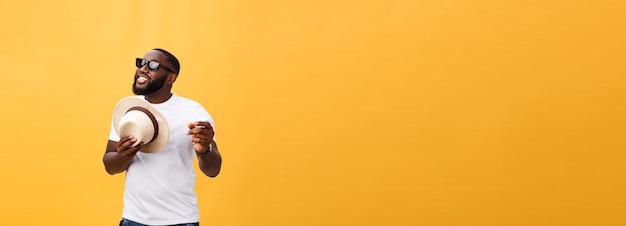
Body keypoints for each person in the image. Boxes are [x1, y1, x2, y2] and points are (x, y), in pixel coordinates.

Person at [103, 48, 222, 226]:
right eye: (141, 63)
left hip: (180, 220)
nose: (143, 69)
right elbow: (110, 166)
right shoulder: (129, 110)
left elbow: (213, 170)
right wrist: (123, 155)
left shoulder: (193, 112)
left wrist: (205, 149)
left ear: (171, 78)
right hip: (134, 219)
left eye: (152, 65)